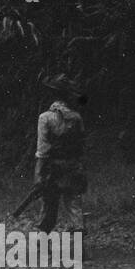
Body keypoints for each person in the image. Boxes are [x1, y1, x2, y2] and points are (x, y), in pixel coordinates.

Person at [26, 75, 88, 237]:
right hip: (73, 167)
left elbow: (42, 151)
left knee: (48, 206)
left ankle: (42, 240)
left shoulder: (45, 118)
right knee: (73, 204)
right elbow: (81, 146)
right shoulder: (76, 117)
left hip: (52, 169)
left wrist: (38, 176)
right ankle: (79, 245)